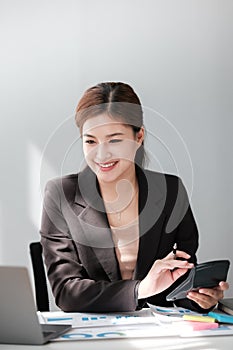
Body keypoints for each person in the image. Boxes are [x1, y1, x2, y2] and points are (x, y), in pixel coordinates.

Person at [40, 82, 228, 313]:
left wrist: (200, 297)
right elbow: (66, 291)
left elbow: (181, 277)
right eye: (90, 141)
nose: (101, 154)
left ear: (138, 136)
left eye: (115, 140)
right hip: (92, 332)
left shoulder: (170, 191)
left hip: (158, 329)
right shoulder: (61, 195)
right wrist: (139, 290)